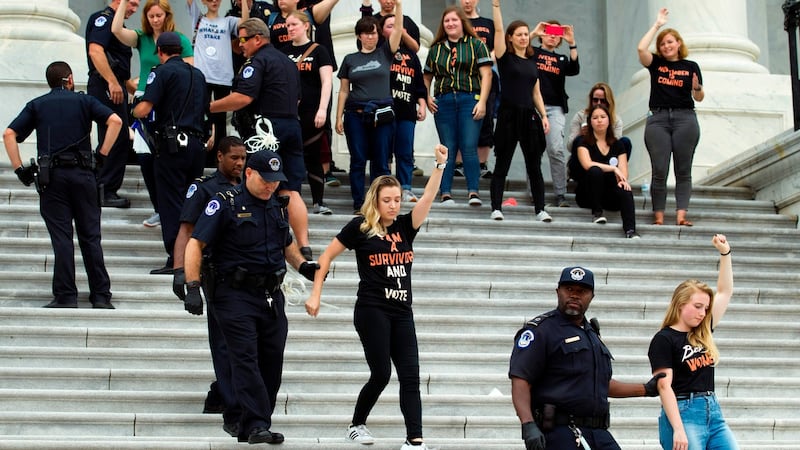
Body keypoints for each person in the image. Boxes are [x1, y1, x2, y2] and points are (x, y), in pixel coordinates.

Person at [305, 144, 448, 450]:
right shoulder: (360, 227)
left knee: (411, 376)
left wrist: (439, 166)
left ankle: (415, 441)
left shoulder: (405, 227)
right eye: (387, 200)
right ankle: (356, 424)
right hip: (372, 310)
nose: (394, 205)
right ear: (376, 201)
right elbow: (326, 257)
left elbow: (427, 198)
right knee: (381, 373)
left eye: (397, 200)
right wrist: (315, 294)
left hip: (402, 311)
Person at [183, 150, 319, 444]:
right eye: (266, 179)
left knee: (272, 362)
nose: (271, 185)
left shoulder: (277, 206)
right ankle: (256, 424)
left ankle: (253, 422)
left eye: (275, 180)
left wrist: (304, 265)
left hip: (271, 295)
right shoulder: (224, 203)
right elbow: (196, 243)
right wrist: (192, 286)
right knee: (245, 359)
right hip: (233, 295)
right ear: (248, 174)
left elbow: (287, 245)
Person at [3, 61, 122, 309]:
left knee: (62, 238)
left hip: (52, 178)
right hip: (83, 175)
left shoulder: (37, 104)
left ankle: (66, 296)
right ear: (69, 79)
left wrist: (19, 169)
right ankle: (101, 295)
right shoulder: (84, 101)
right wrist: (102, 155)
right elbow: (115, 121)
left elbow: (9, 134)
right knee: (90, 237)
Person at [509, 265, 665, 450]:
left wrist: (645, 389)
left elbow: (601, 384)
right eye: (569, 289)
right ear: (558, 291)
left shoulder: (591, 334)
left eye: (582, 291)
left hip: (597, 432)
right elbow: (521, 380)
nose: (574, 295)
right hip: (560, 433)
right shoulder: (541, 331)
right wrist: (528, 425)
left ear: (592, 296)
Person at [210, 18, 313, 260]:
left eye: (243, 39)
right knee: (291, 189)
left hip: (266, 129)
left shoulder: (257, 61)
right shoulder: (288, 62)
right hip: (291, 126)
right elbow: (298, 97)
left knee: (256, 181)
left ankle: (257, 236)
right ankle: (304, 246)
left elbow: (243, 98)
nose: (240, 45)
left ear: (258, 38)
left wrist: (209, 107)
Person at [171, 135, 245, 423]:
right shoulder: (205, 189)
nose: (239, 163)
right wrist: (182, 274)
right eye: (234, 158)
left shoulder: (249, 187)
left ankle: (220, 392)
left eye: (243, 158)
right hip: (216, 275)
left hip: (248, 276)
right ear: (219, 157)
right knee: (225, 344)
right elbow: (186, 231)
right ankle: (232, 404)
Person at [648, 234, 737, 450]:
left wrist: (725, 254)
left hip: (713, 412)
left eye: (705, 308)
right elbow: (663, 385)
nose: (702, 313)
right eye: (697, 306)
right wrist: (678, 428)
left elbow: (725, 292)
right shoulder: (664, 339)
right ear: (680, 304)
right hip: (683, 411)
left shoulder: (703, 331)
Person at [132, 32, 209, 275]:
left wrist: (132, 111)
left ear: (161, 51)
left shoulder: (161, 71)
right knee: (192, 201)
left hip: (172, 145)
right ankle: (195, 255)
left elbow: (145, 108)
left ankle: (175, 259)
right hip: (197, 145)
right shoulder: (198, 75)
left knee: (170, 202)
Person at [112, 0, 194, 228]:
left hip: (168, 106)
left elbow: (188, 70)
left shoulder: (180, 40)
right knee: (145, 156)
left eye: (159, 15)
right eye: (151, 16)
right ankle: (160, 208)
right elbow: (116, 30)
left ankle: (174, 209)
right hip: (144, 101)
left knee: (166, 158)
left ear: (166, 16)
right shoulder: (142, 38)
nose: (155, 20)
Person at [334, 3, 404, 213]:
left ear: (378, 34)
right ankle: (359, 203)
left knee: (381, 162)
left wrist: (398, 6)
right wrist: (338, 117)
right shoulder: (349, 59)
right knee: (358, 160)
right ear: (359, 36)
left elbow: (398, 29)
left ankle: (377, 203)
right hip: (355, 115)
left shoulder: (385, 53)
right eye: (366, 34)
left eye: (373, 33)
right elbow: (344, 90)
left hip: (382, 115)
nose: (370, 37)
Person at [637, 7, 703, 227]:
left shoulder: (691, 66)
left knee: (683, 170)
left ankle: (681, 215)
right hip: (658, 119)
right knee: (660, 170)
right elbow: (640, 48)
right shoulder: (656, 64)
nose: (666, 46)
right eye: (663, 43)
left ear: (678, 44)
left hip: (685, 118)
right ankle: (659, 216)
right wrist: (657, 25)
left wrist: (696, 87)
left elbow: (700, 96)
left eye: (670, 42)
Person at [488, 0, 550, 222]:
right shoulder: (505, 57)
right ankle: (496, 207)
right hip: (508, 115)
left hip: (529, 117)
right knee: (502, 163)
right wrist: (496, 7)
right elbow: (497, 29)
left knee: (534, 166)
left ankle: (541, 209)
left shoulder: (532, 62)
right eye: (519, 34)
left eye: (526, 34)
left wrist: (544, 116)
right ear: (511, 38)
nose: (524, 37)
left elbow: (536, 93)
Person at [423, 6, 492, 206]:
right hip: (443, 102)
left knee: (469, 146)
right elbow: (426, 77)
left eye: (454, 20)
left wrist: (482, 101)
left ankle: (473, 192)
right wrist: (427, 97)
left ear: (462, 22)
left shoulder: (476, 45)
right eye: (447, 21)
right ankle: (445, 193)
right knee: (448, 148)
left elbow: (486, 75)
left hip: (469, 99)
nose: (451, 24)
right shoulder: (436, 49)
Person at [86, 0, 140, 209]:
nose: (134, 10)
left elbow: (121, 70)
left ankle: (103, 188)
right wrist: (111, 81)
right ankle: (104, 189)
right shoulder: (104, 19)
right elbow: (95, 52)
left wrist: (135, 91)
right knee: (116, 137)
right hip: (106, 85)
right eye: (132, 4)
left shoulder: (120, 27)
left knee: (117, 138)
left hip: (114, 85)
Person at [281, 10, 335, 215]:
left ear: (306, 26)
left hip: (312, 112)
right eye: (288, 25)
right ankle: (288, 202)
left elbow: (327, 82)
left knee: (313, 157)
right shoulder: (283, 51)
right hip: (288, 114)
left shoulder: (319, 51)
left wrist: (322, 109)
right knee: (288, 158)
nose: (290, 28)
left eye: (294, 24)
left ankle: (318, 202)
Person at [187, 0, 248, 165]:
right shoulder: (198, 18)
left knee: (220, 120)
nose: (214, 1)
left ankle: (218, 161)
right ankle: (201, 157)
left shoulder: (227, 21)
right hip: (203, 76)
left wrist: (243, 3)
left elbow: (245, 24)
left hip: (223, 77)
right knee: (202, 117)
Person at [377, 12, 427, 202]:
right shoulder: (381, 52)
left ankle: (405, 187)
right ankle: (385, 188)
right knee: (385, 153)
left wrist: (422, 105)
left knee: (405, 152)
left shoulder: (412, 56)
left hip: (407, 112)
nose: (395, 28)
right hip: (385, 111)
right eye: (390, 26)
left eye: (397, 25)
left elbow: (419, 85)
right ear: (382, 31)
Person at [530, 19, 579, 208]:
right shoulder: (532, 53)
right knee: (533, 151)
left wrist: (571, 41)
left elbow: (574, 69)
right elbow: (516, 49)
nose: (552, 35)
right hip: (533, 106)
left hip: (555, 107)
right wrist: (535, 32)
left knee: (556, 149)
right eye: (549, 31)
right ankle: (535, 192)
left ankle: (560, 194)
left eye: (556, 33)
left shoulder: (561, 59)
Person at [571, 104, 639, 239]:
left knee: (625, 188)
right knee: (595, 170)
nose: (599, 120)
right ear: (590, 122)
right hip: (588, 195)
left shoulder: (618, 144)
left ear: (609, 120)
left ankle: (630, 230)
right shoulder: (583, 142)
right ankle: (597, 213)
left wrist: (622, 181)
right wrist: (613, 168)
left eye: (603, 117)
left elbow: (623, 172)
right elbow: (587, 164)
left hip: (609, 194)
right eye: (595, 118)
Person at [458, 0, 496, 179]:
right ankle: (458, 164)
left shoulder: (488, 24)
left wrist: (486, 60)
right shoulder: (455, 21)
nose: (467, 1)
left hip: (485, 78)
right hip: (462, 78)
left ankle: (482, 164)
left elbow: (497, 49)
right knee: (460, 120)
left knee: (485, 120)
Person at [566, 82, 631, 161]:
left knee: (625, 142)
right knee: (579, 139)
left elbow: (617, 147)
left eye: (603, 101)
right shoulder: (580, 116)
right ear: (591, 100)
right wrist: (580, 134)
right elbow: (570, 147)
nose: (598, 103)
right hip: (585, 156)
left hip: (606, 155)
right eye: (595, 100)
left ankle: (617, 170)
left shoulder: (616, 120)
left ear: (609, 102)